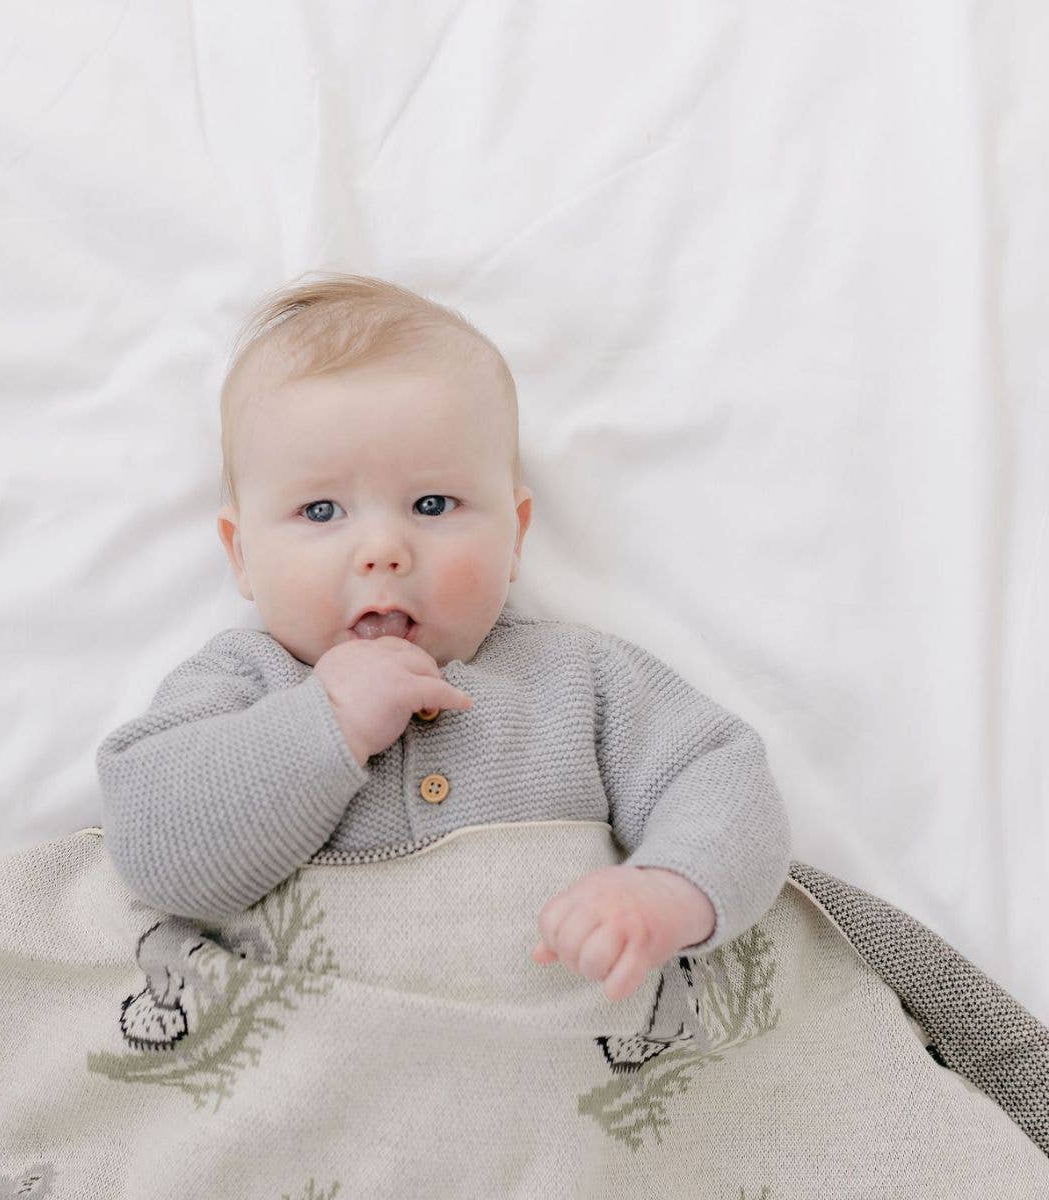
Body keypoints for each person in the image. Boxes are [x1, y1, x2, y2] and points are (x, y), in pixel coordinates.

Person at [95, 271, 791, 1004]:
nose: (382, 550)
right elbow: (153, 847)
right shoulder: (239, 684)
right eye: (321, 511)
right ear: (242, 555)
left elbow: (724, 778)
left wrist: (667, 891)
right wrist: (325, 722)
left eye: (432, 504)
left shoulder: (575, 679)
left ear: (515, 535)